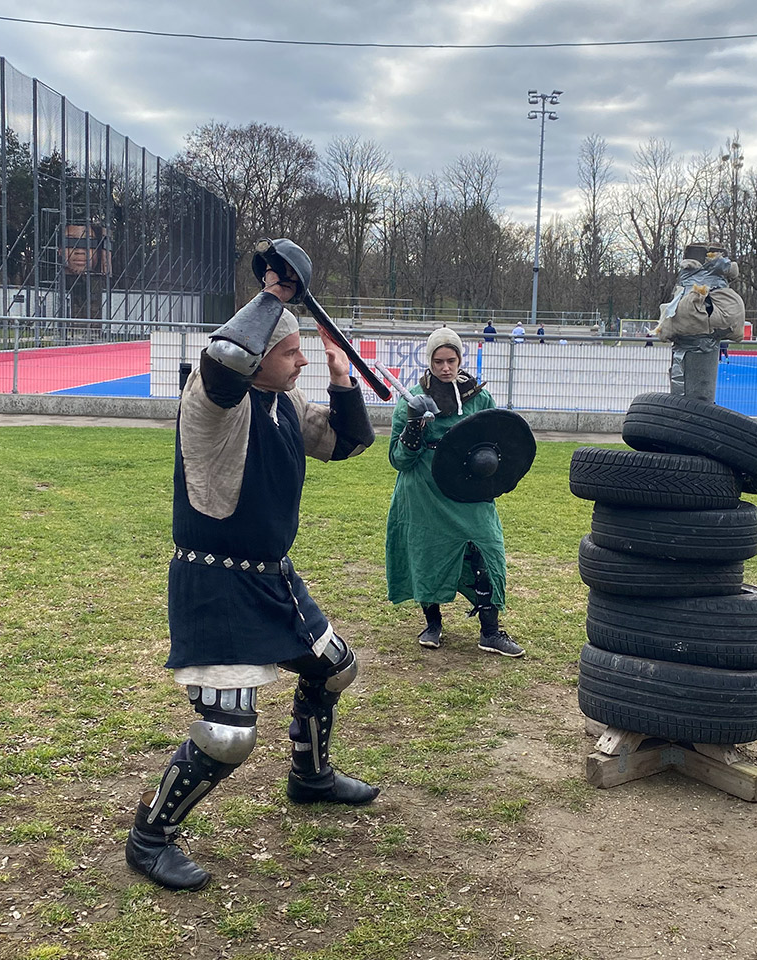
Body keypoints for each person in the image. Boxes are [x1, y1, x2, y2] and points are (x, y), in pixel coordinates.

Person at [125, 239, 379, 893]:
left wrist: (339, 374)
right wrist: (273, 290)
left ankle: (311, 777)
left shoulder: (286, 403)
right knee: (226, 736)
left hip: (272, 577)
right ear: (261, 354)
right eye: (290, 352)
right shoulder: (211, 404)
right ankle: (150, 837)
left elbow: (348, 442)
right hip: (215, 581)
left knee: (335, 669)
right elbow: (225, 357)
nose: (298, 362)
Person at [385, 328, 524, 659]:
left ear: (460, 360)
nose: (445, 368)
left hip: (470, 488)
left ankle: (490, 632)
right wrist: (414, 424)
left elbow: (499, 442)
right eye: (438, 361)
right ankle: (432, 624)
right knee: (427, 552)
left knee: (486, 549)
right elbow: (398, 460)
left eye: (451, 360)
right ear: (429, 361)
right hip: (423, 490)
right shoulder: (414, 399)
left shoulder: (479, 398)